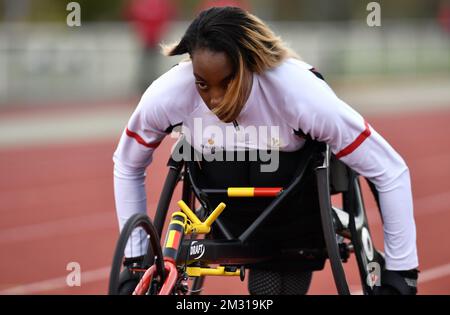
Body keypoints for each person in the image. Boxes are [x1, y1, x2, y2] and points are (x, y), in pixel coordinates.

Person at [113, 6, 419, 295]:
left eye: (227, 82)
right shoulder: (170, 92)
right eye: (203, 84)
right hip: (221, 201)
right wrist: (135, 259)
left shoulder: (299, 93)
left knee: (269, 290)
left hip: (292, 208)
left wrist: (402, 271)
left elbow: (389, 170)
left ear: (251, 66)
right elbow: (127, 163)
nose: (215, 99)